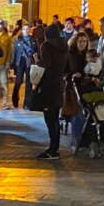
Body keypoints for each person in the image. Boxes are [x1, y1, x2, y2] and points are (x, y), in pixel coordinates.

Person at [30, 23, 69, 159]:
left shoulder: (46, 46)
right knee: (55, 119)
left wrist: (36, 60)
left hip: (48, 86)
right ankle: (55, 147)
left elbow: (45, 65)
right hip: (58, 84)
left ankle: (52, 150)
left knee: (49, 119)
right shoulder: (65, 46)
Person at [11, 22, 37, 108]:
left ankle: (27, 103)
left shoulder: (33, 40)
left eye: (27, 29)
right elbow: (14, 53)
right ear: (22, 30)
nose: (26, 31)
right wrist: (13, 64)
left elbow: (36, 51)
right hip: (20, 61)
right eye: (24, 29)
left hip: (29, 61)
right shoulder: (18, 40)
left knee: (29, 83)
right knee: (18, 81)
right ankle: (15, 99)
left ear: (30, 30)